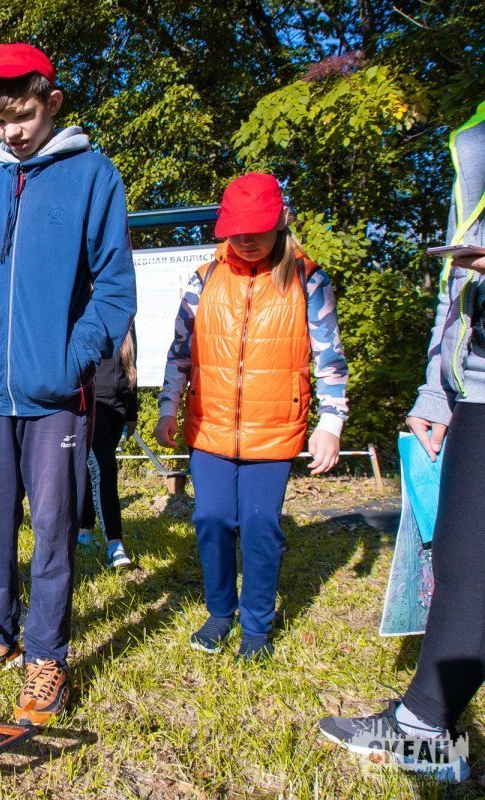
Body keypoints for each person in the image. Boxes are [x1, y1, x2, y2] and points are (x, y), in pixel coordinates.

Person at [0, 42, 137, 726]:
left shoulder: (93, 176)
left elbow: (114, 290)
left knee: (53, 529)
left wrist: (72, 358)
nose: (11, 132)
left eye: (21, 115)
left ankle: (47, 654)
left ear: (52, 102)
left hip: (56, 396)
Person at [320, 101, 485, 784]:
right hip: (476, 376)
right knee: (463, 553)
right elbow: (459, 283)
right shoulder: (474, 127)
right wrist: (437, 386)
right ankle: (424, 724)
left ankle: (423, 723)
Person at [154, 172, 349, 661]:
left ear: (280, 221)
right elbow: (181, 351)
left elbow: (329, 358)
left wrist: (331, 423)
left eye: (256, 228)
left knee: (262, 525)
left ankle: (257, 626)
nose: (245, 238)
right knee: (212, 518)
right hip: (210, 425)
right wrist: (168, 407)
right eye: (235, 228)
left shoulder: (308, 278)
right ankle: (221, 611)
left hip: (274, 431)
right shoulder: (205, 279)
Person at [77, 331, 139, 569]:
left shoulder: (125, 315)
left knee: (93, 469)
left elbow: (133, 362)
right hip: (93, 401)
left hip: (118, 402)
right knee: (104, 468)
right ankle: (115, 544)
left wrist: (131, 412)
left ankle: (84, 530)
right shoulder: (84, 305)